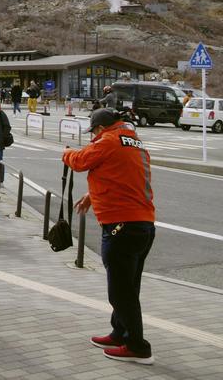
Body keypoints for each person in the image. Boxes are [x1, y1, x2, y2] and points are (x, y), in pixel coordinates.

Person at [63, 109, 156, 365]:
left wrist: (66, 152)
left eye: (93, 133)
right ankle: (119, 333)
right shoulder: (134, 142)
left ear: (101, 128)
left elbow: (80, 161)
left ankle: (138, 347)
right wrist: (92, 196)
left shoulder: (109, 140)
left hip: (121, 226)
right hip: (143, 225)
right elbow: (123, 178)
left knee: (120, 292)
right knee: (128, 286)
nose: (92, 137)